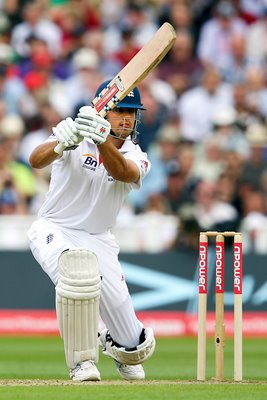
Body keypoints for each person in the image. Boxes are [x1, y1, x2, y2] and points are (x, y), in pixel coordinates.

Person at [27, 80, 156, 381]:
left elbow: (122, 172)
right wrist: (61, 143)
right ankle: (82, 363)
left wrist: (101, 141)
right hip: (55, 228)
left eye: (131, 113)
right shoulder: (76, 134)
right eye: (120, 111)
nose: (126, 119)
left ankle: (115, 343)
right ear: (104, 112)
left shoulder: (137, 155)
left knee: (133, 344)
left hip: (100, 239)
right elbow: (35, 160)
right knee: (77, 277)